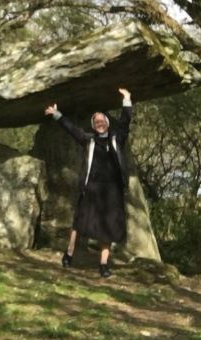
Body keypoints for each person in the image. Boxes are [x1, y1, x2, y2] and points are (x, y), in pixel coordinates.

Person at [44, 88, 132, 278]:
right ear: (93, 125)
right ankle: (69, 254)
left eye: (102, 121)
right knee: (80, 221)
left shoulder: (117, 139)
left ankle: (103, 265)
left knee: (108, 226)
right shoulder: (89, 141)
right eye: (96, 122)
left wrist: (126, 100)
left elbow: (125, 123)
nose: (99, 123)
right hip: (92, 187)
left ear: (107, 124)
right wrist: (57, 115)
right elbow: (73, 130)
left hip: (113, 190)